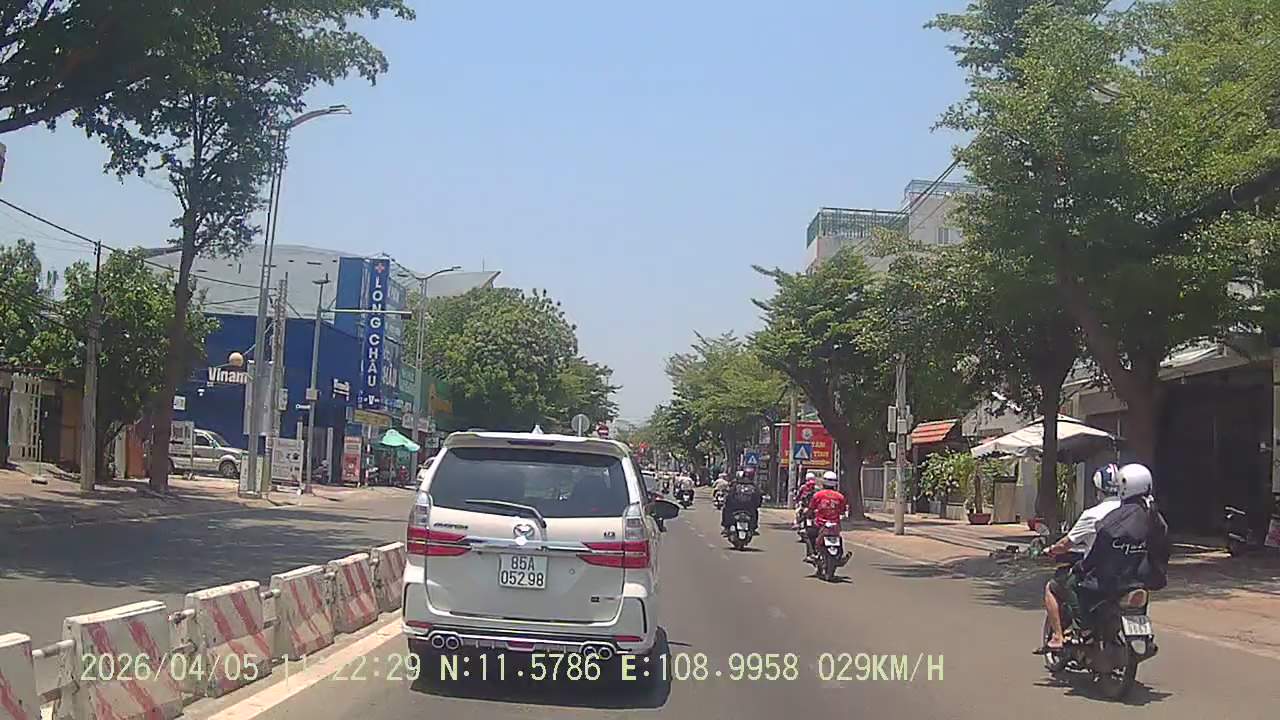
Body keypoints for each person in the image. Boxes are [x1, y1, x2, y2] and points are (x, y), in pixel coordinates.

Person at [1036, 463, 1168, 654]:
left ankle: (1067, 633)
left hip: (1108, 578)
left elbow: (1091, 550)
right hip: (1139, 577)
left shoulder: (1106, 517)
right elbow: (1162, 549)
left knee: (1059, 585)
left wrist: (1080, 564)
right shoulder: (1152, 516)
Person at [806, 471, 848, 560]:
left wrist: (809, 515)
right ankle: (840, 555)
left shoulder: (818, 495)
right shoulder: (840, 497)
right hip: (835, 524)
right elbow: (843, 510)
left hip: (820, 523)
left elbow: (811, 508)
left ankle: (812, 554)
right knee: (839, 537)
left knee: (810, 534)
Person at [722, 469, 764, 536]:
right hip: (749, 507)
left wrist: (728, 503)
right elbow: (758, 497)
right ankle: (753, 528)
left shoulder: (736, 485)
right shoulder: (754, 486)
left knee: (726, 510)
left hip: (735, 506)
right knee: (755, 512)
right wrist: (757, 505)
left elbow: (729, 496)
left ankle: (726, 528)